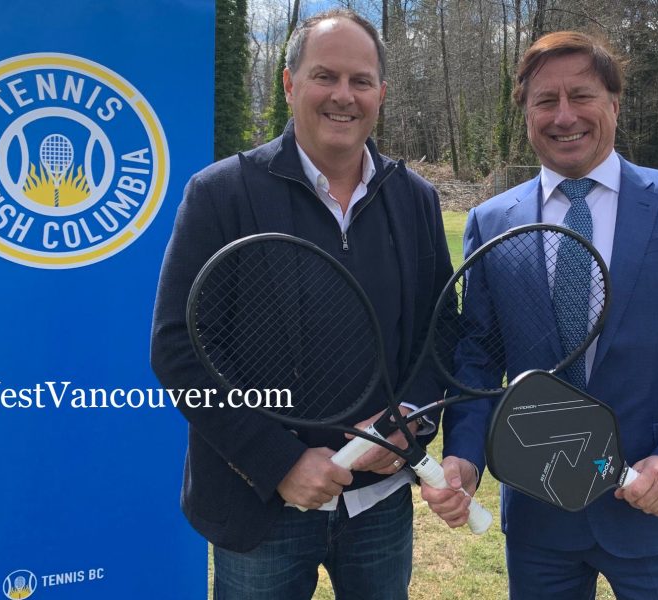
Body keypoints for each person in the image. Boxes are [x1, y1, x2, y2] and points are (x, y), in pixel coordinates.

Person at [421, 31, 658, 599]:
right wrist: (465, 456)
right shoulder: (492, 221)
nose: (564, 115)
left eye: (582, 96)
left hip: (649, 502)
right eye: (545, 100)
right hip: (538, 513)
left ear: (615, 105)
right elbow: (478, 355)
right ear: (525, 113)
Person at [150, 10, 453, 599]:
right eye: (325, 76)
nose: (344, 96)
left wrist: (410, 424)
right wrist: (278, 462)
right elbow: (179, 348)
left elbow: (438, 331)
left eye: (361, 81)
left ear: (381, 94)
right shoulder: (221, 194)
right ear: (290, 85)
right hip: (262, 506)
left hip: (379, 506)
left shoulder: (414, 199)